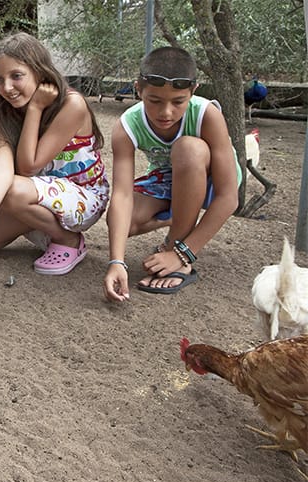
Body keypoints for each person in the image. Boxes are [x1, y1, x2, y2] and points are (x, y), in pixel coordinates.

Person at [0, 32, 108, 276]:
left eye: (16, 76)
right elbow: (2, 167)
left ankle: (68, 240)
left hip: (82, 198)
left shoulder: (72, 104)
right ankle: (26, 216)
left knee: (12, 189)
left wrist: (35, 108)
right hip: (37, 189)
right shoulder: (3, 111)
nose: (7, 87)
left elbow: (28, 166)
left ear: (40, 72)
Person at [103, 46, 241, 301]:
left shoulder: (206, 114)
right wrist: (117, 261)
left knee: (188, 149)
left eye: (178, 102)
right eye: (154, 101)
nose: (165, 112)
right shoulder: (127, 126)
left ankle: (177, 247)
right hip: (167, 178)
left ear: (193, 92)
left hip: (209, 177)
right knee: (121, 223)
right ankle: (182, 216)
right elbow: (121, 195)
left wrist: (181, 253)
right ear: (138, 89)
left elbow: (228, 197)